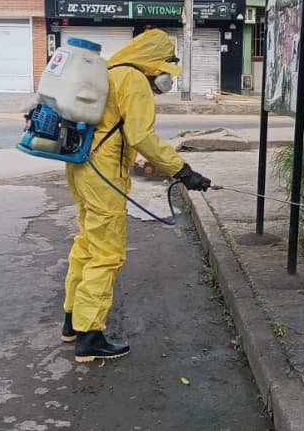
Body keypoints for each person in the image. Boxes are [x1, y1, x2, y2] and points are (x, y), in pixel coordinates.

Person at [61, 29, 212, 363]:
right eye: (164, 71)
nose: (164, 80)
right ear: (152, 64)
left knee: (87, 244)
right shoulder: (134, 80)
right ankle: (89, 337)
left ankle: (72, 320)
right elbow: (140, 134)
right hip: (103, 173)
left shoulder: (111, 72)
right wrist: (182, 170)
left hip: (81, 166)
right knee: (107, 254)